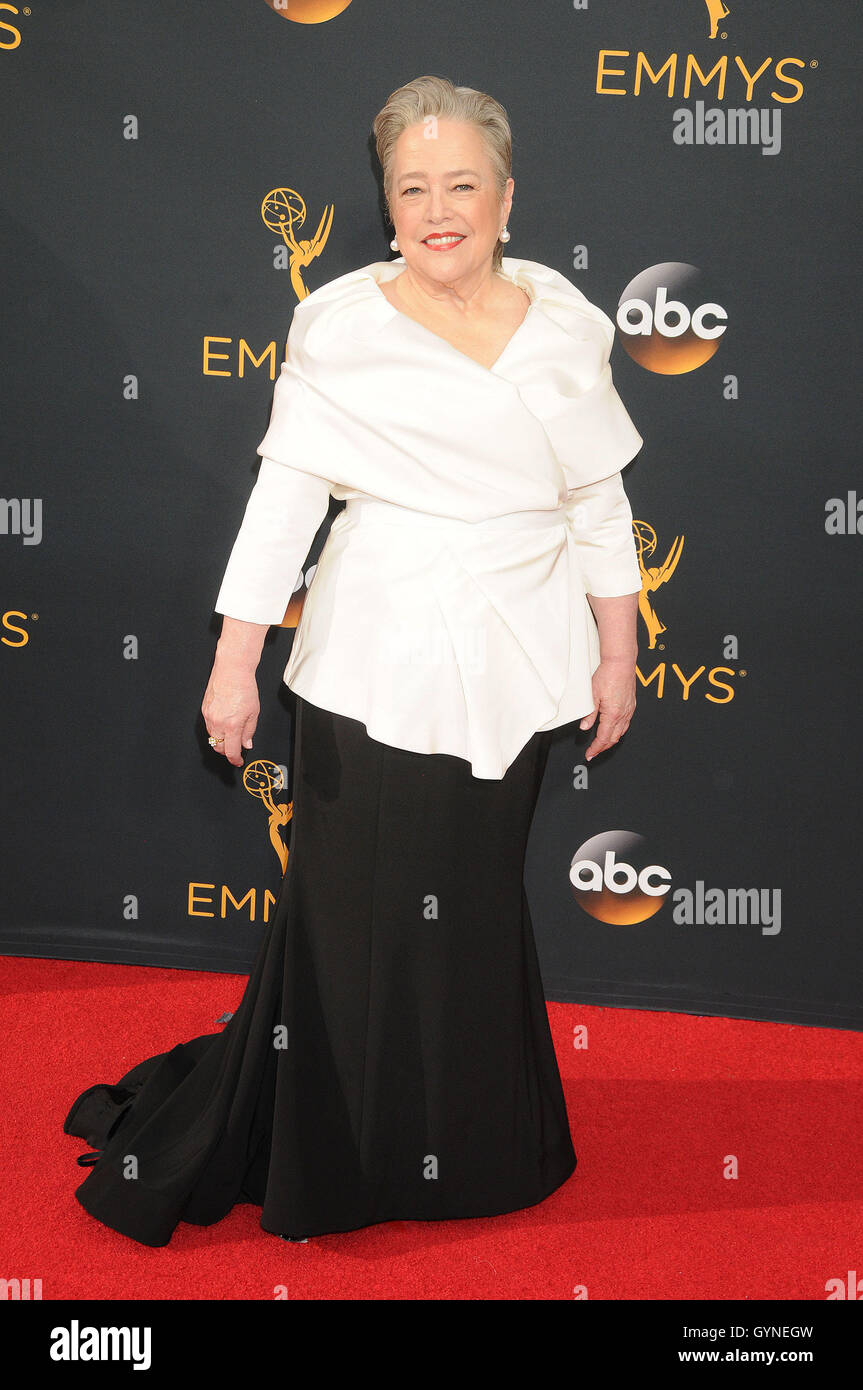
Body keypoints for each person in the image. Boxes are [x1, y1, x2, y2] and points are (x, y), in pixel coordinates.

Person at [63, 75, 643, 1246]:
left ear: (506, 197)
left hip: (526, 657)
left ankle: (472, 1150)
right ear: (385, 207)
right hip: (373, 665)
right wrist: (234, 664)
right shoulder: (340, 323)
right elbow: (283, 507)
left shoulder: (568, 323)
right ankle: (338, 1154)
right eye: (412, 187)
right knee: (354, 923)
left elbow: (596, 496)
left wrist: (617, 651)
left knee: (471, 913)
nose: (440, 209)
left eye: (462, 184)